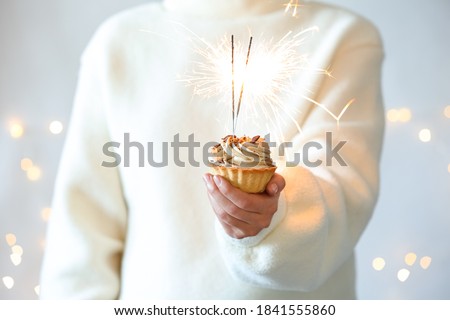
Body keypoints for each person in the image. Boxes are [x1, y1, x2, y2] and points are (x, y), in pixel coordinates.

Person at [40, 0, 384, 299]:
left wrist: (271, 218)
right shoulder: (117, 42)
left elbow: (341, 197)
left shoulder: (344, 38)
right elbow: (81, 230)